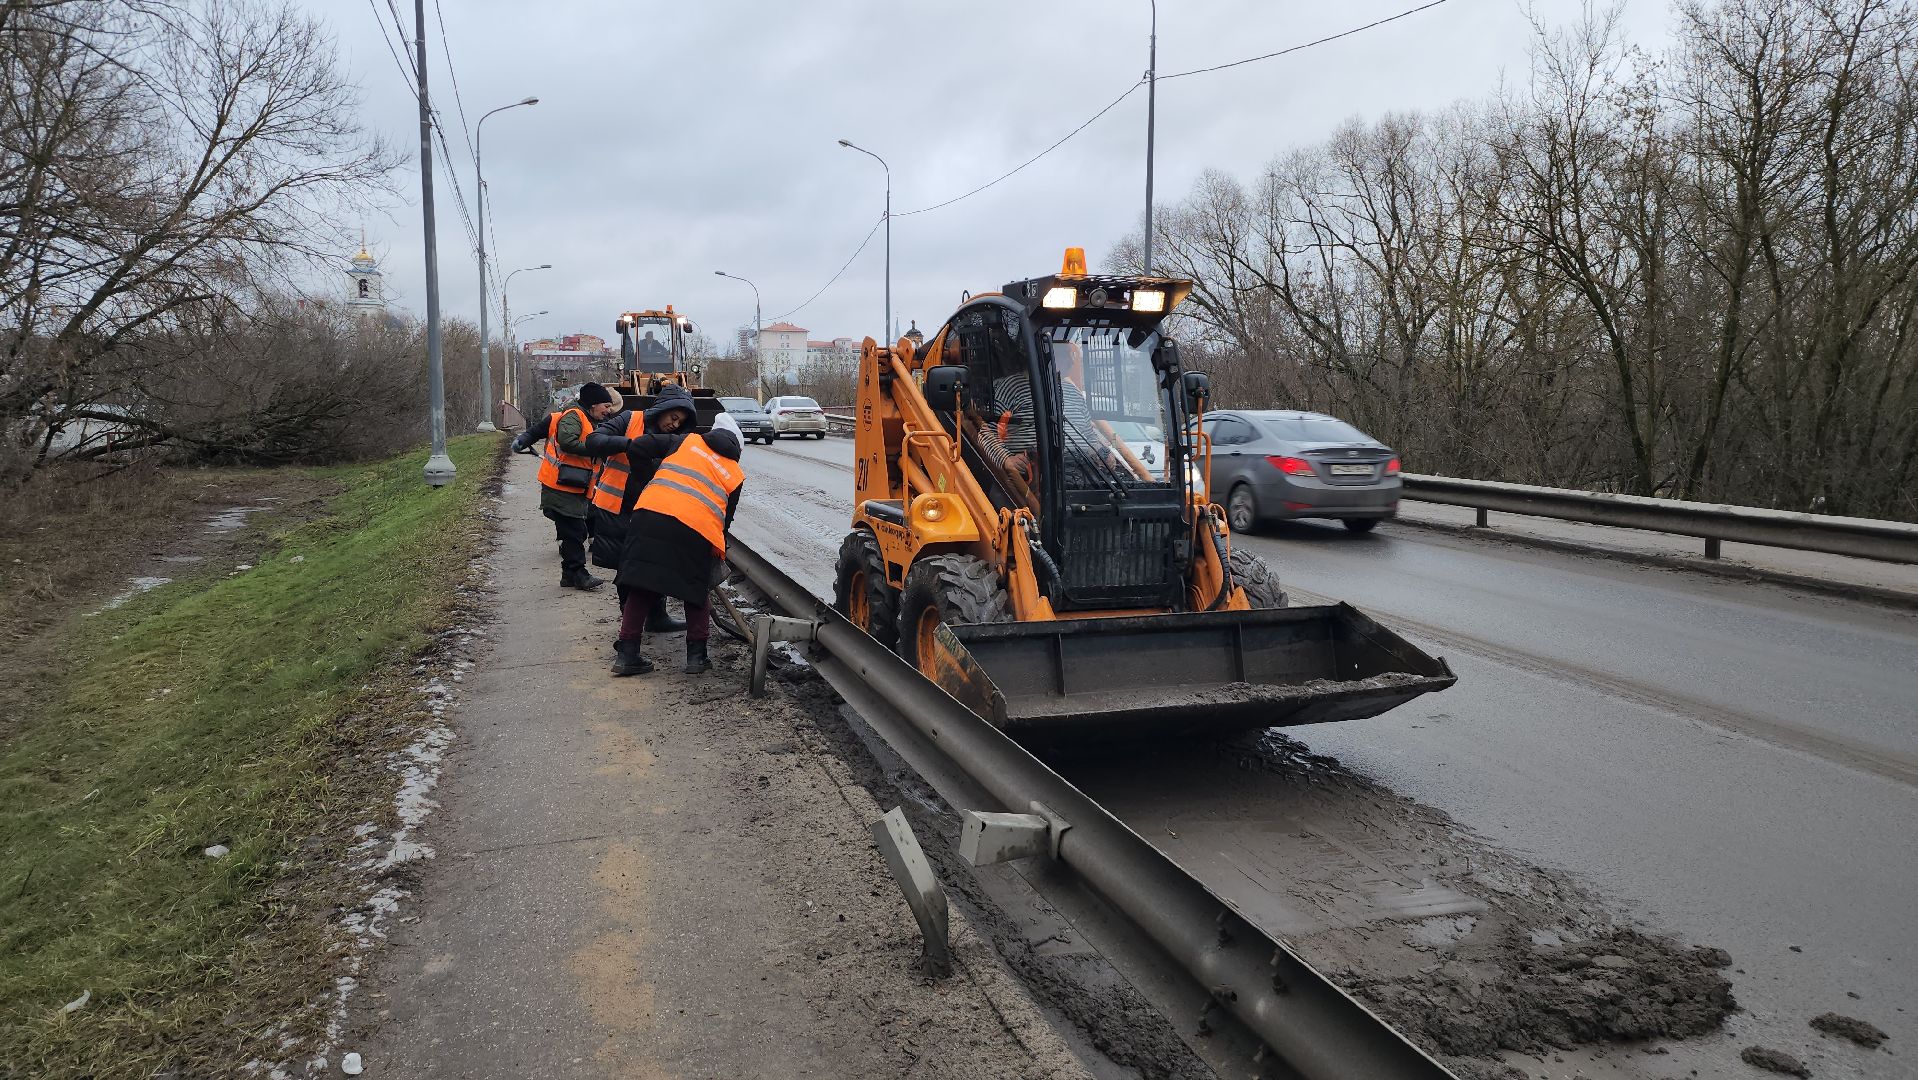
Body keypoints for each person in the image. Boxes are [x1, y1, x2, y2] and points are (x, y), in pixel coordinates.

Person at [611, 413, 746, 676]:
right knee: (696, 589)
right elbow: (724, 521)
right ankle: (697, 658)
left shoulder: (686, 441)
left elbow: (638, 447)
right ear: (737, 449)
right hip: (696, 529)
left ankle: (627, 655)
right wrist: (714, 552)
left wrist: (648, 483)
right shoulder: (735, 473)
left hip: (649, 514)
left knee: (641, 584)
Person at [584, 385, 697, 638]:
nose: (675, 424)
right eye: (673, 417)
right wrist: (632, 444)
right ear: (663, 409)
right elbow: (594, 441)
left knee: (655, 563)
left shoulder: (675, 440)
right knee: (627, 569)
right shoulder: (630, 419)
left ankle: (657, 617)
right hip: (617, 508)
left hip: (652, 511)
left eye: (681, 422)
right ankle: (630, 626)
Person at [511, 382, 620, 589]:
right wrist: (595, 447)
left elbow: (537, 431)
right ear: (593, 404)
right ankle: (579, 574)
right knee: (574, 531)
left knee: (573, 530)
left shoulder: (585, 418)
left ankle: (569, 576)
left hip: (572, 485)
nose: (608, 410)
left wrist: (524, 440)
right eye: (606, 405)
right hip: (561, 486)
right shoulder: (574, 416)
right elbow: (567, 441)